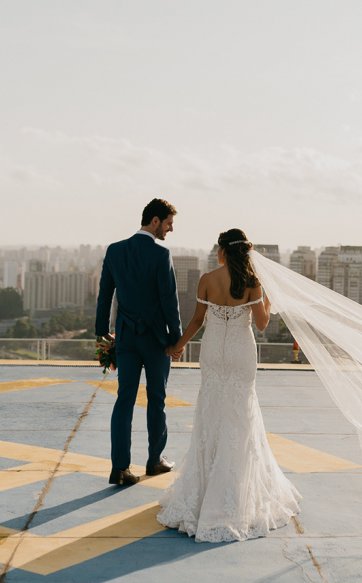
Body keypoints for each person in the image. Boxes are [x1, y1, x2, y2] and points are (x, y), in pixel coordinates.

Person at [156, 229, 301, 542]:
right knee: (240, 416)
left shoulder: (208, 278)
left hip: (213, 352)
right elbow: (262, 324)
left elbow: (196, 321)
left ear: (222, 250)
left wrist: (177, 346)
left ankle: (202, 493)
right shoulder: (252, 282)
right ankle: (234, 493)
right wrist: (269, 296)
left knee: (211, 413)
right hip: (240, 353)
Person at [95, 198, 183, 486]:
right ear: (155, 221)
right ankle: (155, 460)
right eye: (168, 223)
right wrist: (176, 340)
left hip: (126, 338)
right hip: (156, 340)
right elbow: (170, 301)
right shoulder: (161, 255)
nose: (170, 229)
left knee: (124, 400)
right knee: (156, 399)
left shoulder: (115, 250)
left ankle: (119, 468)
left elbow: (105, 294)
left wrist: (102, 331)